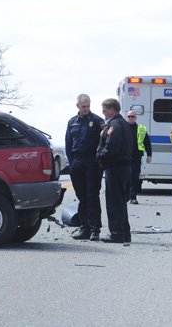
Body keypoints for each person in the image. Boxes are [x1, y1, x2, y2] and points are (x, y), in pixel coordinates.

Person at [65, 94, 105, 241]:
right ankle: (85, 228)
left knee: (92, 196)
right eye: (83, 106)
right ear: (78, 106)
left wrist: (99, 161)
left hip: (92, 162)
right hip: (77, 162)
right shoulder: (72, 122)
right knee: (82, 197)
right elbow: (68, 144)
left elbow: (103, 142)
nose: (86, 109)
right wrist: (72, 163)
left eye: (88, 106)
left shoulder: (97, 121)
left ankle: (95, 229)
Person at [97, 98, 133, 243]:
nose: (103, 112)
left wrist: (99, 155)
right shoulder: (123, 124)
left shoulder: (115, 125)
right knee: (120, 202)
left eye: (104, 110)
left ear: (111, 109)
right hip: (123, 167)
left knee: (114, 203)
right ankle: (124, 233)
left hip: (115, 167)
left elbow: (111, 147)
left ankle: (117, 234)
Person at [126, 110, 152, 204]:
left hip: (136, 157)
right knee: (125, 177)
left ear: (136, 118)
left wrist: (149, 155)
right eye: (129, 116)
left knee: (134, 177)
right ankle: (125, 196)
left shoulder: (141, 129)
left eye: (132, 116)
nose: (131, 118)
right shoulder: (123, 128)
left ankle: (133, 197)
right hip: (124, 157)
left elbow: (147, 143)